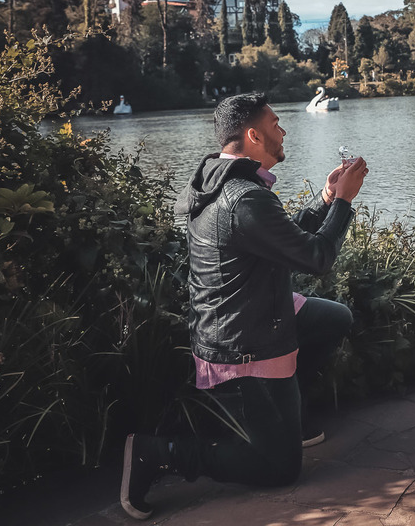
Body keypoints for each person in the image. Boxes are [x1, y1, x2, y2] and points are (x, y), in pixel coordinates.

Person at [119, 92, 368, 520]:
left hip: (256, 310)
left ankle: (289, 410)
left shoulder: (228, 182)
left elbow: (287, 241)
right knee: (279, 469)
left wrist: (326, 199)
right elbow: (317, 259)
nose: (283, 130)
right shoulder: (244, 196)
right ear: (253, 135)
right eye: (275, 124)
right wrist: (345, 201)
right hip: (242, 340)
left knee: (333, 319)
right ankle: (159, 453)